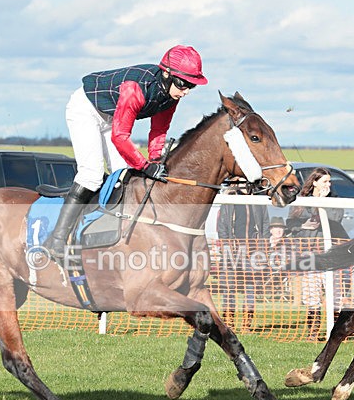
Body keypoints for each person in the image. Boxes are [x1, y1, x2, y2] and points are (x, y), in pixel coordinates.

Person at [43, 45, 208, 260]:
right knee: (91, 175)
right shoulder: (135, 89)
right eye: (183, 83)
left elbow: (159, 130)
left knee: (123, 176)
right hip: (86, 109)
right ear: (166, 74)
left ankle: (109, 235)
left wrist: (156, 160)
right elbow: (120, 136)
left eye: (191, 86)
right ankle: (56, 239)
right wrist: (146, 166)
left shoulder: (170, 96)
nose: (185, 90)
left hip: (111, 116)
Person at [285, 167, 348, 339]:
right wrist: (302, 226)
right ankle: (312, 332)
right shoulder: (301, 203)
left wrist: (323, 202)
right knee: (312, 296)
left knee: (334, 296)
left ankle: (337, 332)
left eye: (329, 181)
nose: (328, 184)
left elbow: (336, 220)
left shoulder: (334, 201)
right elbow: (290, 226)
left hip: (330, 255)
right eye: (325, 181)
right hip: (310, 255)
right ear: (314, 182)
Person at [217, 187, 270, 331]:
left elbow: (265, 225)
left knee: (251, 287)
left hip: (252, 251)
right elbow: (222, 227)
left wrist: (263, 248)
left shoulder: (258, 200)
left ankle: (246, 324)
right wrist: (226, 247)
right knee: (229, 287)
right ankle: (229, 322)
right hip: (232, 250)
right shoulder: (229, 200)